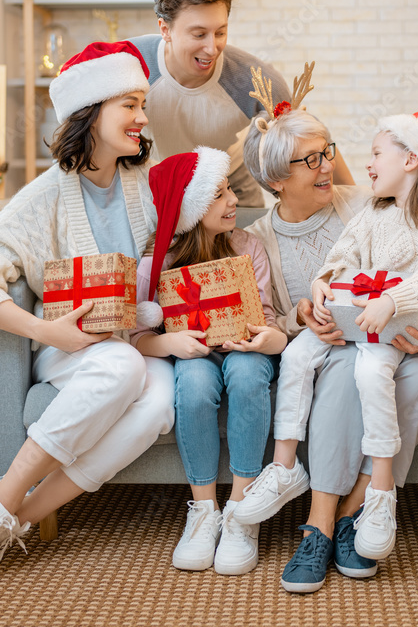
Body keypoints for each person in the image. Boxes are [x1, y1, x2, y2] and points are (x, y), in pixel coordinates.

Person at [0, 41, 175, 589]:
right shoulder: (42, 197)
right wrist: (47, 332)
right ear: (90, 113)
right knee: (120, 369)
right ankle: (2, 493)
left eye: (143, 103)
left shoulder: (148, 182)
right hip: (68, 353)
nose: (142, 117)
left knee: (160, 401)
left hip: (136, 345)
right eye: (129, 105)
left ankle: (11, 514)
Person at [235, 111, 418, 564]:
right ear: (276, 180)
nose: (328, 166)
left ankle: (364, 505)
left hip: (397, 337)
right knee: (336, 371)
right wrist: (308, 306)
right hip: (339, 338)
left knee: (415, 376)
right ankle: (319, 517)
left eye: (327, 152)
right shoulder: (259, 238)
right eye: (310, 159)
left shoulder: (367, 200)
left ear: (412, 160)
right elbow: (321, 278)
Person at [131, 148, 286, 576]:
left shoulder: (247, 247)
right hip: (191, 353)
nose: (234, 200)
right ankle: (203, 511)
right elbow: (139, 339)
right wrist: (170, 343)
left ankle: (241, 509)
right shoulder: (158, 263)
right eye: (218, 195)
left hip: (244, 353)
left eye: (231, 190)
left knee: (247, 370)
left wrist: (271, 340)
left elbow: (269, 323)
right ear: (190, 208)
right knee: (195, 382)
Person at [126, 0, 354, 207]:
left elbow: (307, 139)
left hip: (229, 185)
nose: (212, 48)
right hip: (155, 182)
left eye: (220, 32)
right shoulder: (130, 62)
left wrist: (354, 204)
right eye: (199, 34)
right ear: (165, 29)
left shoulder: (254, 79)